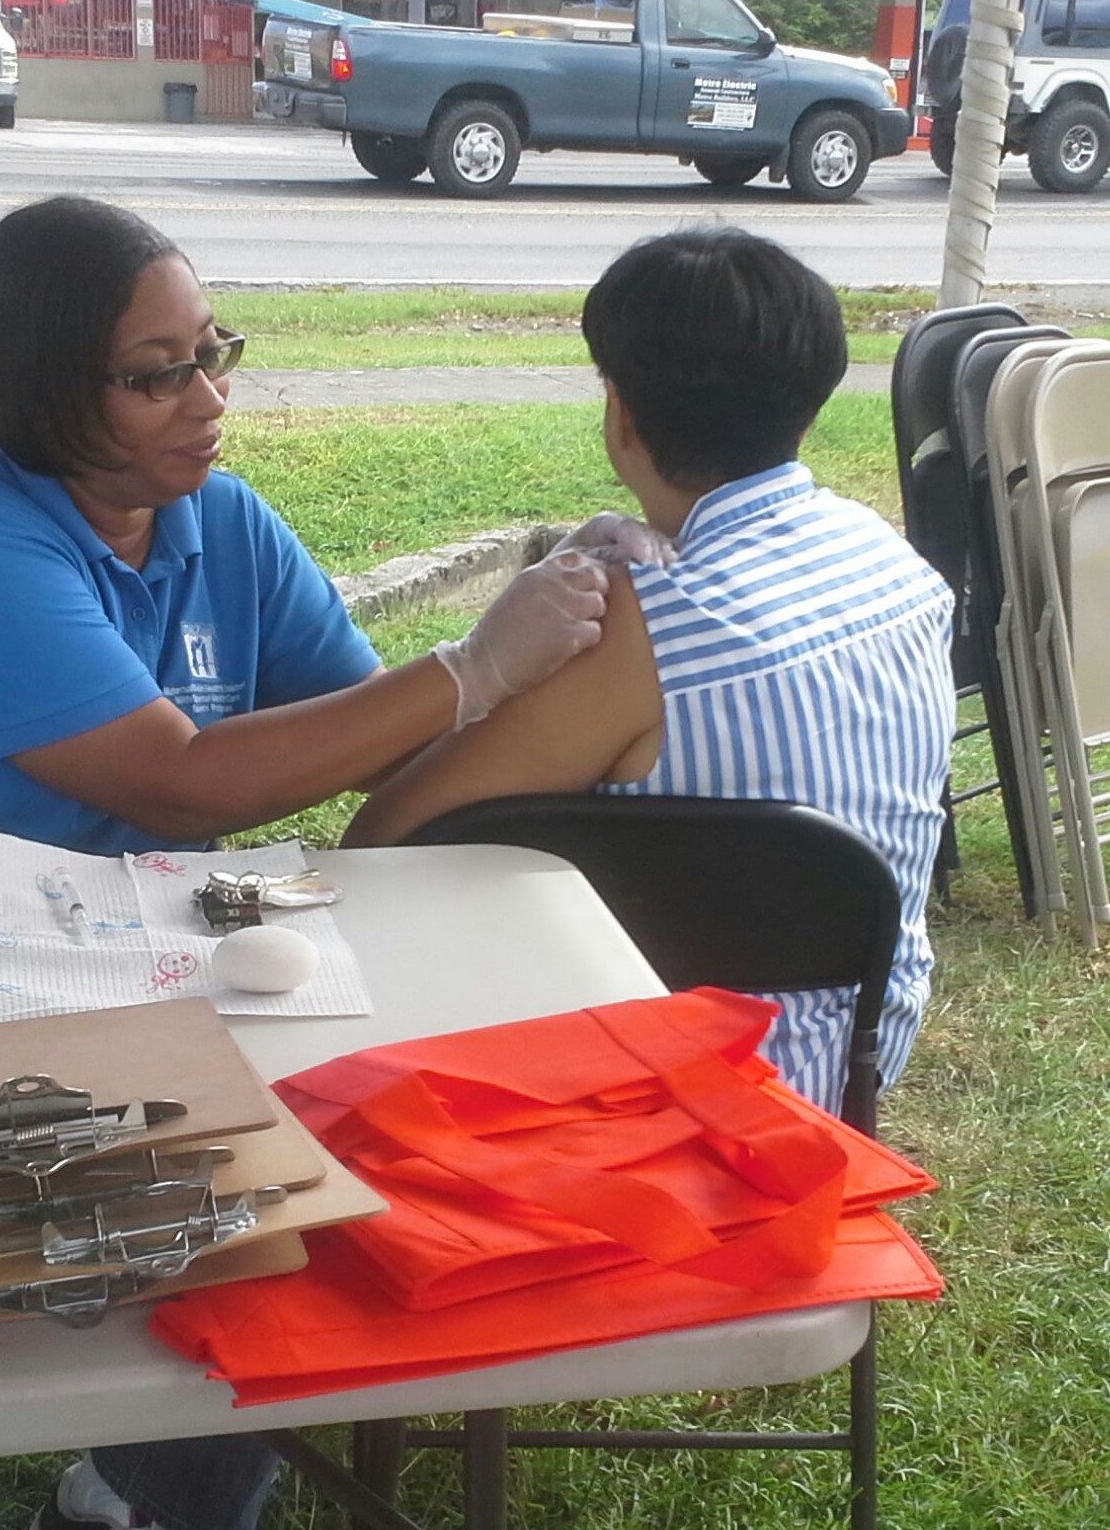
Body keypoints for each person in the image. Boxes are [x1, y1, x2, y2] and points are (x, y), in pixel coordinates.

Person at [0, 195, 614, 1530]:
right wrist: (471, 666)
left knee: (282, 1211)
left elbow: (358, 744)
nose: (205, 395)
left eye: (209, 350)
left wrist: (556, 676)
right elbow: (179, 776)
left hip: (122, 960)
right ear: (43, 390)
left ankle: (141, 1495)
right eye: (153, 373)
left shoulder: (217, 523)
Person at [345, 227, 956, 1117]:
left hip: (669, 1096)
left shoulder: (639, 628)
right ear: (812, 394)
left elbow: (387, 843)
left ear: (620, 413)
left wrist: (491, 656)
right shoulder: (893, 564)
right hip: (855, 1056)